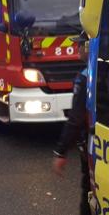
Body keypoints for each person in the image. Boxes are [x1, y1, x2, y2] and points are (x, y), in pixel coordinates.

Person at [53, 31, 98, 215]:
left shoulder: (86, 76)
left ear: (88, 47)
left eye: (80, 44)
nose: (77, 47)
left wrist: (60, 151)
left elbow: (76, 119)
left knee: (89, 192)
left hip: (93, 145)